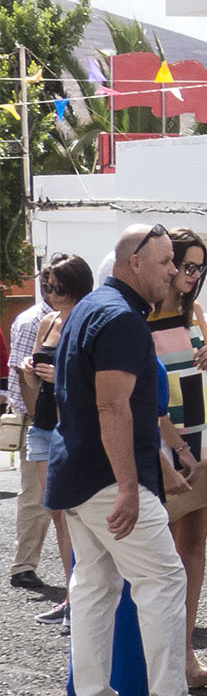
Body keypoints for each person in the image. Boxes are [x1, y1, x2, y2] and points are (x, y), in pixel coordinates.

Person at [47, 223, 207, 696]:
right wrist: (131, 487)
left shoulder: (91, 308)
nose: (174, 273)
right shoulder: (120, 319)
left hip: (78, 477)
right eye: (165, 264)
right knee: (161, 582)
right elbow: (112, 407)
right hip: (109, 479)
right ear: (134, 263)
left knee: (94, 592)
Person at [149, 228, 207, 689]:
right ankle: (161, 655)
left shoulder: (192, 312)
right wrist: (172, 448)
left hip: (201, 436)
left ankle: (184, 648)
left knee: (194, 545)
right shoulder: (139, 316)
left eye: (200, 267)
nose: (193, 275)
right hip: (163, 442)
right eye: (187, 265)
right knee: (161, 551)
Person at [16, 257, 89, 612]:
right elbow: (31, 377)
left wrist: (55, 377)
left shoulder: (87, 320)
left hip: (71, 426)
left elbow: (89, 377)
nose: (52, 294)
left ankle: (85, 595)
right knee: (58, 513)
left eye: (59, 287)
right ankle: (72, 596)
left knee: (77, 515)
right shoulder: (47, 321)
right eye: (47, 286)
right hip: (44, 425)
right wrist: (31, 372)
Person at [9, 285, 51, 591]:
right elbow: (22, 375)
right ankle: (23, 566)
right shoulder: (32, 320)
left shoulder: (58, 317)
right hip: (36, 419)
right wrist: (38, 420)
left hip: (51, 419)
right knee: (35, 497)